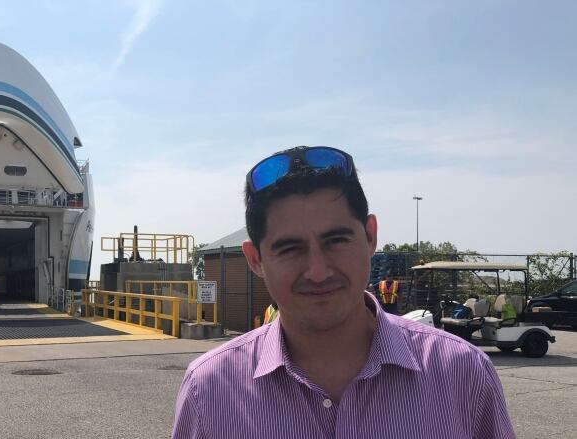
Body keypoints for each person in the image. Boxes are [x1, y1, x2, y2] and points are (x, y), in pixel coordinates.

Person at [172, 146, 513, 438]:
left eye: (336, 240)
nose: (318, 271)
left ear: (370, 236)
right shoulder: (210, 390)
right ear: (255, 259)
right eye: (290, 248)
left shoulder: (461, 374)